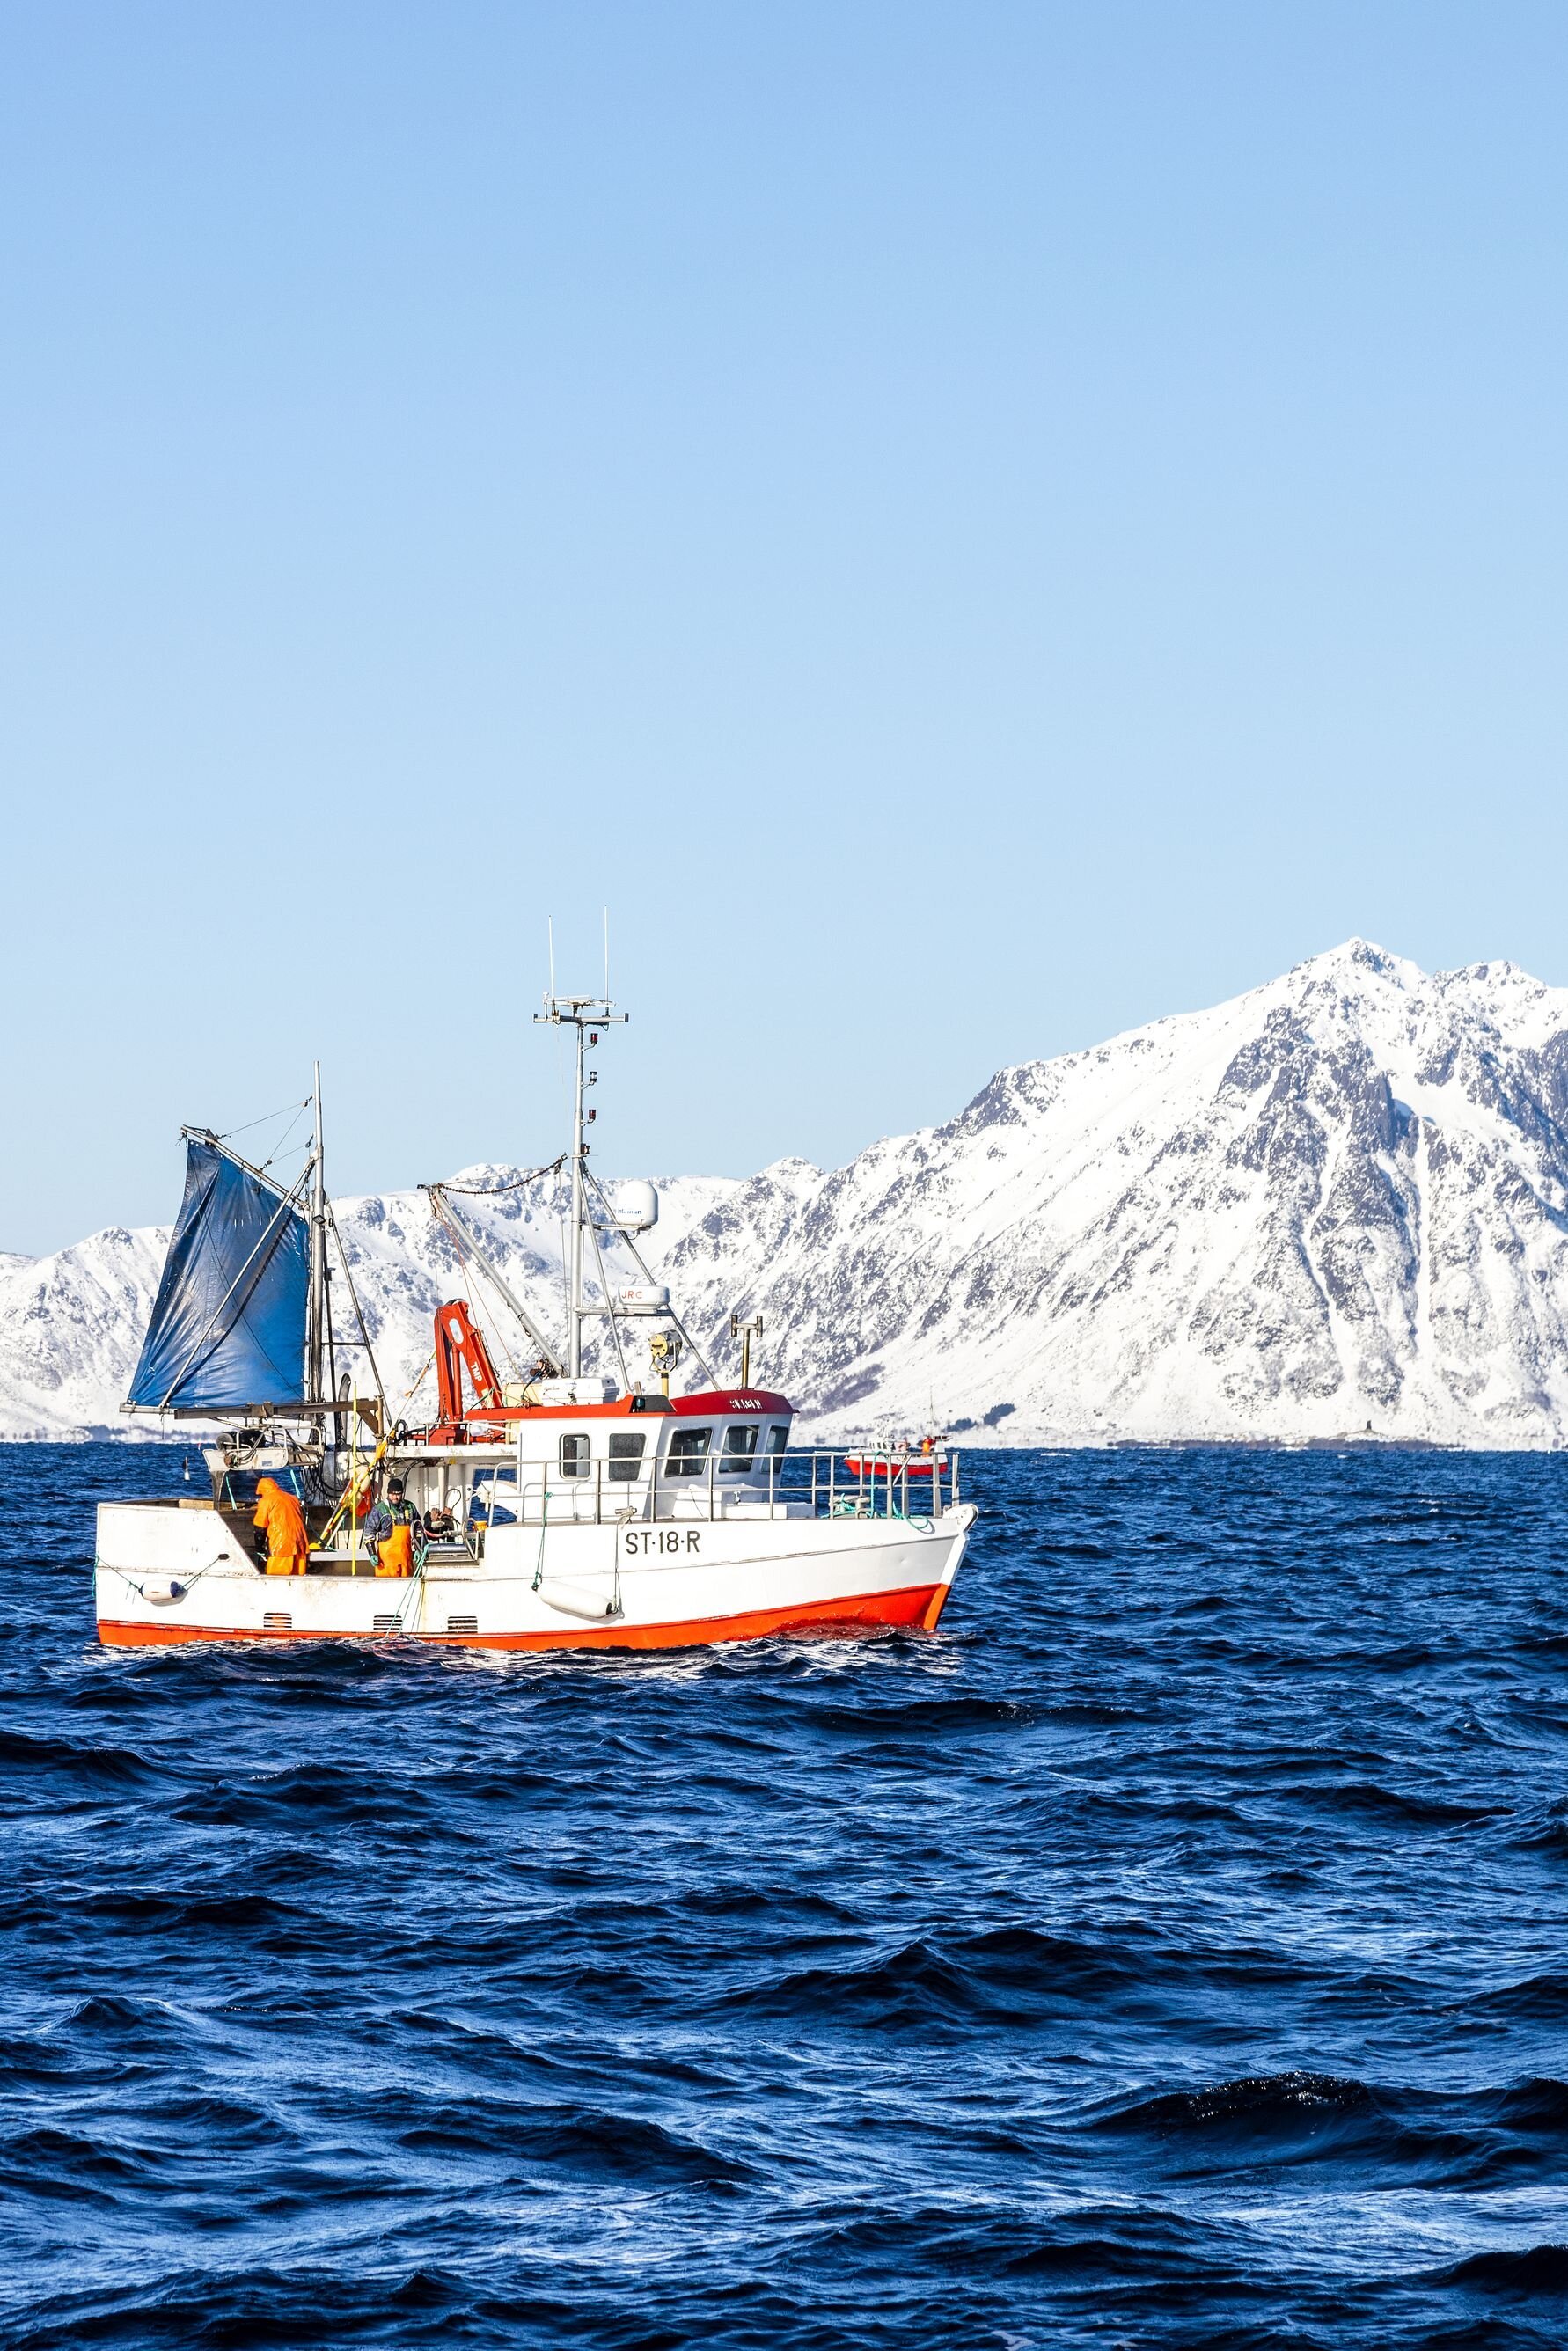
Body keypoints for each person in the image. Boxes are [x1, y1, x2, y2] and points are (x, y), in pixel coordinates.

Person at [361, 1477, 421, 1578]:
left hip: (405, 1564)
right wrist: (372, 1555)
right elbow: (368, 1534)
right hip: (385, 1565)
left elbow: (418, 1530)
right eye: (392, 1494)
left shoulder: (411, 1508)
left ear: (402, 1494)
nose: (395, 1497)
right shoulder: (379, 1510)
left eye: (398, 1494)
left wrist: (419, 1550)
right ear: (388, 1493)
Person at [253, 1476, 311, 1577]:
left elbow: (260, 1528)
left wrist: (259, 1548)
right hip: (300, 1544)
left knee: (276, 1581)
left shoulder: (266, 1501)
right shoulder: (292, 1498)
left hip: (281, 1547)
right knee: (299, 1580)